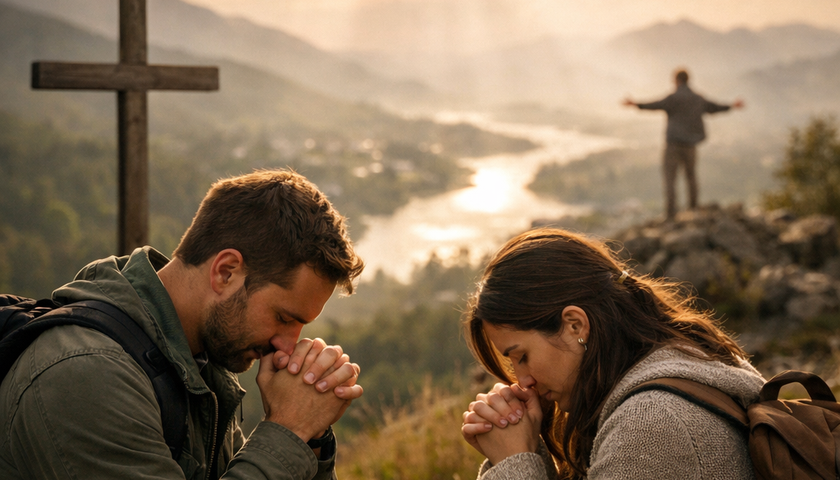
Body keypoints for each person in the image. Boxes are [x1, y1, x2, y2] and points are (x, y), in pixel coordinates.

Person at [0, 169, 366, 479]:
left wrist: (309, 440)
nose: (288, 345)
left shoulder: (197, 361)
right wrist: (289, 431)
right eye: (284, 318)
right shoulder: (87, 374)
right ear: (226, 272)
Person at [460, 228, 765, 479]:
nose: (523, 381)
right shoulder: (682, 361)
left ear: (575, 325)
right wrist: (527, 451)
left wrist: (513, 463)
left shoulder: (651, 423)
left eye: (521, 356)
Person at [623, 69, 744, 219]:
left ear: (676, 80)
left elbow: (654, 105)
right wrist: (732, 105)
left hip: (673, 144)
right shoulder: (697, 98)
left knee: (670, 179)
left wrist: (635, 104)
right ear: (688, 80)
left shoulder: (673, 98)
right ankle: (693, 209)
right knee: (691, 176)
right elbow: (715, 107)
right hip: (690, 145)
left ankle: (671, 214)